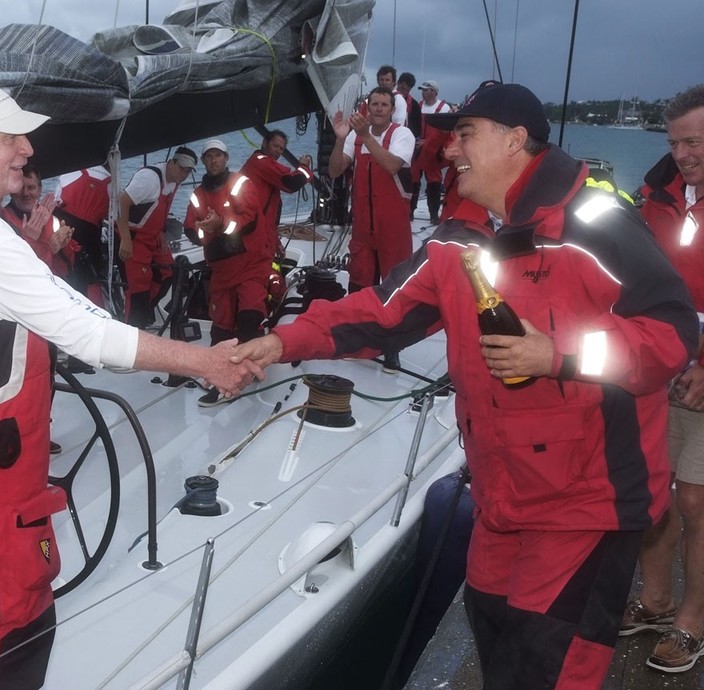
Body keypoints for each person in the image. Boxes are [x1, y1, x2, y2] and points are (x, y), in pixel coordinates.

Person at [232, 82, 699, 689]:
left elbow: (670, 332)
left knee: (550, 668)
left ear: (515, 140)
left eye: (465, 134)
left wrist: (557, 354)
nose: (449, 150)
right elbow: (379, 309)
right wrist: (280, 342)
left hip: (587, 501)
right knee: (496, 641)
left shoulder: (596, 222)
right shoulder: (458, 237)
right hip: (503, 497)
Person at [0, 80, 260, 690]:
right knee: (13, 614)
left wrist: (26, 247)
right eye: (9, 136)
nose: (27, 149)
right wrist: (206, 362)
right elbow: (91, 337)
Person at [620, 83, 704, 674]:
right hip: (659, 369)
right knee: (653, 497)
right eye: (675, 142)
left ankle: (692, 621)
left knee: (696, 501)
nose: (683, 153)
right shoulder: (653, 194)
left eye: (695, 140)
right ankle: (655, 602)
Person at [328, 85, 415, 370]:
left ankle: (392, 347)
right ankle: (357, 339)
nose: (378, 108)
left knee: (393, 287)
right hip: (364, 226)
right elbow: (335, 170)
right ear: (367, 106)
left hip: (393, 228)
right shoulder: (355, 136)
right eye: (374, 103)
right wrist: (341, 140)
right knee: (359, 283)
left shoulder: (402, 135)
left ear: (392, 109)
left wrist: (365, 136)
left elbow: (391, 166)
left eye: (383, 105)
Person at [184, 138, 267, 406]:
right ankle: (220, 378)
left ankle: (250, 369)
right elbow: (191, 230)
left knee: (249, 316)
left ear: (226, 158)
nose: (213, 160)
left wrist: (219, 224)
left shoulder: (241, 183)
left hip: (250, 263)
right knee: (220, 328)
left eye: (217, 155)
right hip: (221, 269)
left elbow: (250, 220)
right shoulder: (197, 194)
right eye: (208, 157)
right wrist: (204, 229)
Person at [116, 146, 197, 328]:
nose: (184, 174)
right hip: (133, 237)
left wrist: (161, 230)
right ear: (171, 162)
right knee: (137, 289)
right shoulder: (149, 179)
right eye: (182, 168)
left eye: (188, 171)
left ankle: (144, 312)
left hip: (152, 236)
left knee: (169, 272)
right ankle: (132, 327)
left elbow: (158, 208)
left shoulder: (175, 181)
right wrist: (126, 239)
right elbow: (122, 202)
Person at [240, 128, 313, 263]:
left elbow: (268, 215)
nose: (278, 151)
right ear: (264, 143)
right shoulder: (261, 162)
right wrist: (304, 167)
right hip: (254, 238)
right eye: (275, 146)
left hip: (260, 234)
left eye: (281, 148)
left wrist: (275, 242)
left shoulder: (258, 163)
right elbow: (292, 183)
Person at [55, 165, 112, 305]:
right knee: (90, 277)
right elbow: (112, 214)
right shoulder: (110, 182)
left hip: (63, 224)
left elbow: (57, 199)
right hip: (90, 233)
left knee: (60, 267)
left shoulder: (70, 172)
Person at [411, 79, 452, 224]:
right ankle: (410, 210)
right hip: (416, 150)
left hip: (433, 152)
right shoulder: (417, 106)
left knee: (434, 183)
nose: (423, 92)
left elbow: (446, 132)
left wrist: (429, 143)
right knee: (413, 181)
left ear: (434, 91)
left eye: (426, 90)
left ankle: (434, 214)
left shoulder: (444, 108)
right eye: (422, 90)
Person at [397, 71, 423, 139]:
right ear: (398, 83)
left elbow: (417, 128)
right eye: (402, 88)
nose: (403, 92)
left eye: (407, 90)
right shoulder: (387, 99)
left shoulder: (414, 105)